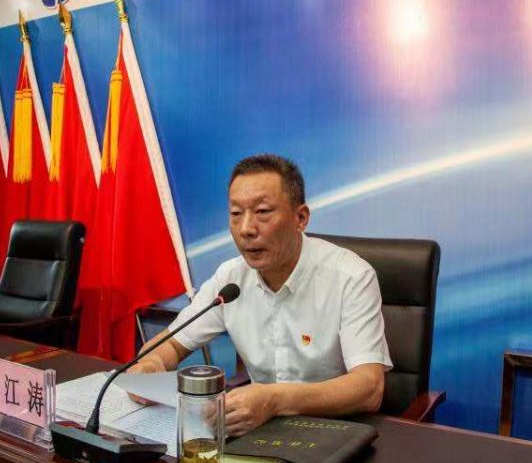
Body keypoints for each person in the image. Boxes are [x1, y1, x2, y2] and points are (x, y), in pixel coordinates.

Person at [129, 154, 391, 436]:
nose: (246, 229)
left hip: (336, 430)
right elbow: (170, 344)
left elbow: (369, 388)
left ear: (300, 217)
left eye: (262, 212)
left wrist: (273, 400)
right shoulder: (230, 279)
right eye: (236, 214)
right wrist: (152, 364)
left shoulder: (351, 276)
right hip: (259, 430)